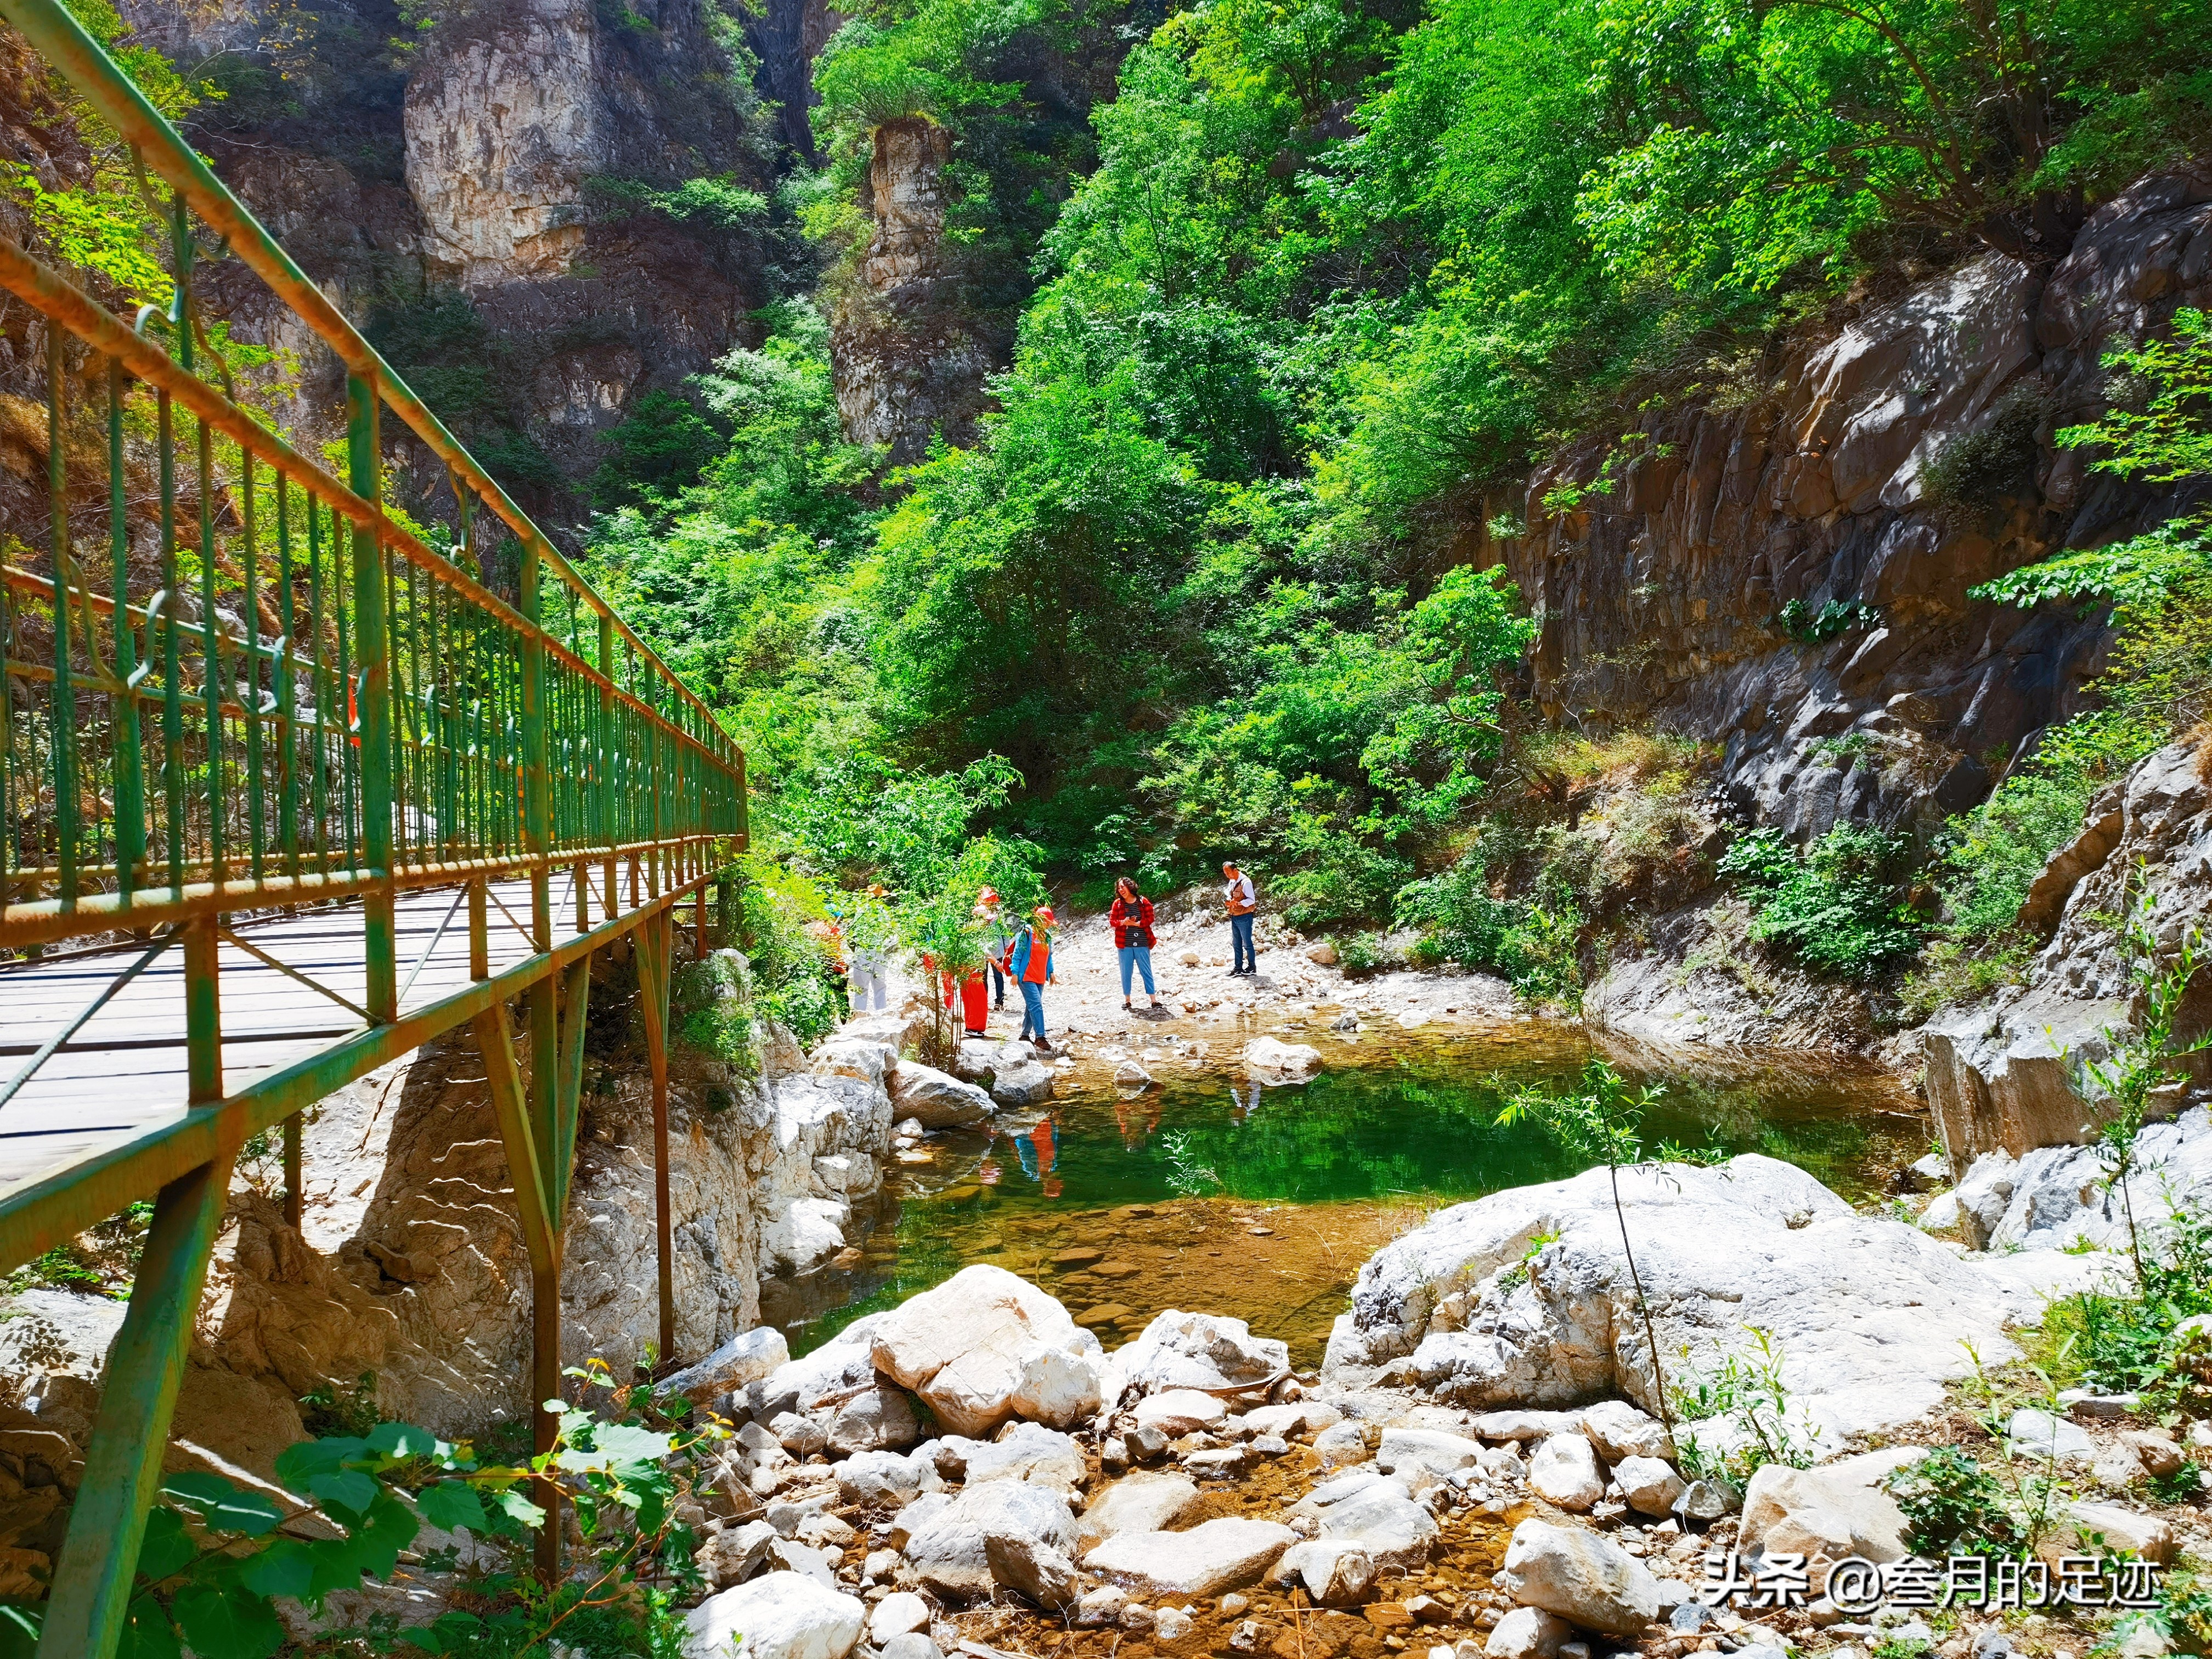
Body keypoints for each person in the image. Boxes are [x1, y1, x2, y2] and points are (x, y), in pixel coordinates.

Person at [1110, 876, 1161, 1012]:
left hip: (1142, 942)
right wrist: (1123, 922)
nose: (1121, 890)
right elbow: (1112, 921)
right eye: (1119, 888)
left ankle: (1153, 1000)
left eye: (1123, 887)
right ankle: (1127, 1001)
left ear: (1129, 887)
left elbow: (1151, 918)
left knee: (1146, 971)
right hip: (1124, 943)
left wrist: (1136, 923)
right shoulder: (1118, 904)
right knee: (1126, 972)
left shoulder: (1143, 901)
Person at [1010, 904, 1057, 1051]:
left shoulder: (1047, 936)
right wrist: (1015, 973)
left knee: (1032, 1006)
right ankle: (1040, 1037)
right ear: (1039, 920)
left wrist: (1051, 972)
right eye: (1047, 922)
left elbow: (1048, 956)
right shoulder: (1026, 933)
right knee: (1037, 1006)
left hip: (1040, 977)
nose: (1049, 925)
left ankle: (1024, 1035)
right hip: (1026, 976)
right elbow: (1017, 955)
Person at [976, 888, 1014, 1010]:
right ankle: (983, 1001)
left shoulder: (998, 911)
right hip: (983, 949)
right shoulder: (978, 912)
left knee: (998, 975)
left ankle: (999, 1002)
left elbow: (1003, 929)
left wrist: (1007, 945)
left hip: (996, 947)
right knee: (983, 977)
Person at [1222, 859, 1258, 975]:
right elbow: (1229, 892)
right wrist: (1229, 899)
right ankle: (1238, 968)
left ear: (1235, 870)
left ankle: (1252, 967)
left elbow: (1251, 900)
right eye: (1226, 874)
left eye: (1229, 873)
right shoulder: (1232, 881)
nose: (1227, 876)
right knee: (1236, 943)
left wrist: (1237, 903)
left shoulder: (1246, 882)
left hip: (1245, 916)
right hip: (1235, 916)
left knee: (1247, 943)